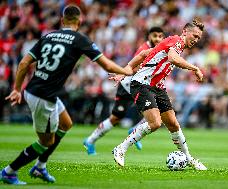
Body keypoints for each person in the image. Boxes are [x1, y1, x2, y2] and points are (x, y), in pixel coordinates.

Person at [1, 5, 133, 185]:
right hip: (43, 97)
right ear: (80, 21)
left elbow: (24, 63)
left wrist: (16, 89)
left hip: (36, 90)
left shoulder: (48, 36)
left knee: (66, 123)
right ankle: (9, 171)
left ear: (62, 21)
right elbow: (108, 66)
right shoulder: (79, 39)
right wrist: (126, 70)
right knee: (45, 142)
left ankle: (40, 167)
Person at [112, 19, 207, 170]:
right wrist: (195, 68)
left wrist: (126, 69)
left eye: (198, 38)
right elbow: (173, 59)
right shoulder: (176, 41)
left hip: (157, 87)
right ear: (185, 32)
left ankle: (189, 159)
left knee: (173, 124)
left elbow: (144, 53)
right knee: (155, 123)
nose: (196, 40)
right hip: (142, 84)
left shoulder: (171, 43)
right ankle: (121, 148)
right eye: (194, 35)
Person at [83, 27, 165, 155]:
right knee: (116, 118)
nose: (158, 39)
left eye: (160, 36)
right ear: (149, 36)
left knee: (159, 108)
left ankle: (133, 130)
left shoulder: (158, 49)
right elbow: (135, 67)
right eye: (155, 35)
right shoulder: (144, 49)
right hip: (129, 85)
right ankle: (90, 140)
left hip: (140, 85)